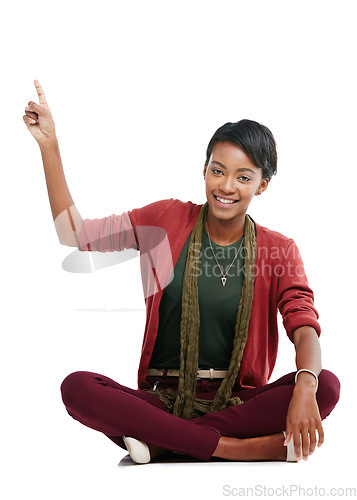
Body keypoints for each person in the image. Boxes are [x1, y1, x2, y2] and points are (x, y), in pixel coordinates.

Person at [23, 80, 340, 465]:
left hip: (236, 400)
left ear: (263, 185)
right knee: (78, 388)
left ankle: (160, 443)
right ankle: (242, 448)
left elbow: (304, 325)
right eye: (217, 170)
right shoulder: (166, 219)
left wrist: (306, 384)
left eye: (243, 177)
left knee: (326, 386)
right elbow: (74, 234)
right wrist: (49, 146)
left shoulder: (280, 249)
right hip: (161, 398)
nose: (226, 186)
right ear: (204, 169)